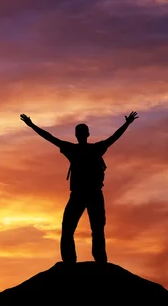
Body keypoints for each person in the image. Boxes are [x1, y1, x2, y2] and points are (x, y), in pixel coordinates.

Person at [20, 111, 138, 263]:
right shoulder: (92, 149)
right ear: (86, 134)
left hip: (85, 194)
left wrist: (31, 125)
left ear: (79, 135)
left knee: (85, 228)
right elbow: (114, 138)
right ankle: (90, 262)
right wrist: (127, 123)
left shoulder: (78, 149)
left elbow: (50, 137)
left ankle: (86, 262)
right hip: (86, 194)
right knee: (87, 229)